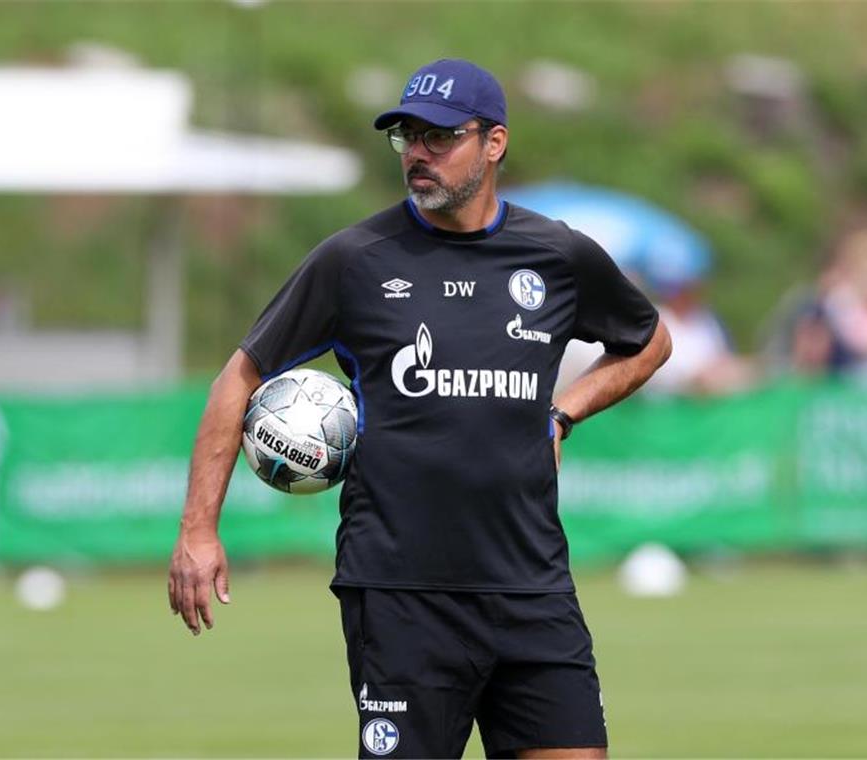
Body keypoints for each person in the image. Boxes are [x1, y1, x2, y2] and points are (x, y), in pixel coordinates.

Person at [168, 58, 672, 759]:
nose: (419, 154)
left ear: (493, 143)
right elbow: (239, 375)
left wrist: (563, 414)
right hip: (402, 595)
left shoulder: (556, 255)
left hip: (532, 587)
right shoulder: (356, 259)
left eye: (440, 137)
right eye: (407, 136)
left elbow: (649, 342)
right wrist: (199, 530)